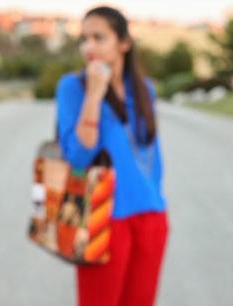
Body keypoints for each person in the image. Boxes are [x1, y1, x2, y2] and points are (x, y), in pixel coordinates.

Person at [55, 5, 170, 306]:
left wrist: (155, 199)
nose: (88, 47)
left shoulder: (144, 89)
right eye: (84, 39)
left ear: (124, 43)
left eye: (99, 38)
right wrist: (94, 94)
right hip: (101, 217)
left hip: (150, 215)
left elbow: (149, 156)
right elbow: (79, 158)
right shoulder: (72, 88)